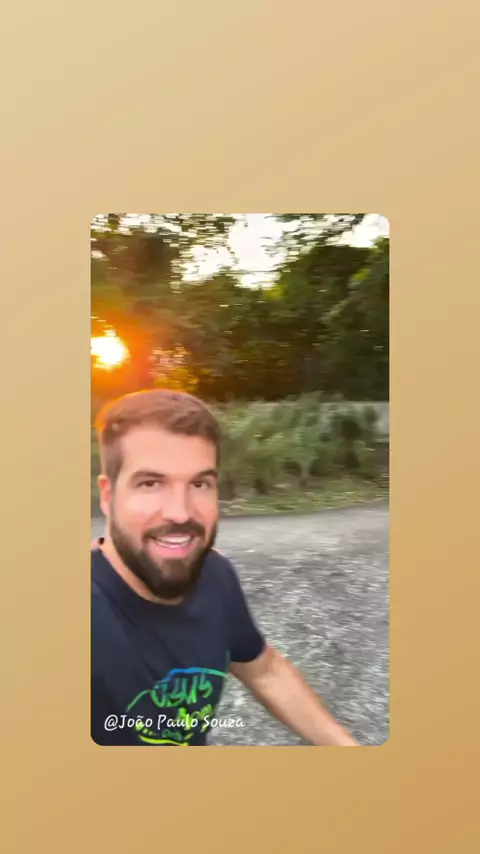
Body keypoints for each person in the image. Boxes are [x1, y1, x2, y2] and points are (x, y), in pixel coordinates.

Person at [91, 388, 359, 747]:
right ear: (108, 496)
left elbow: (264, 670)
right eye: (151, 483)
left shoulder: (214, 573)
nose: (180, 513)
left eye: (200, 483)